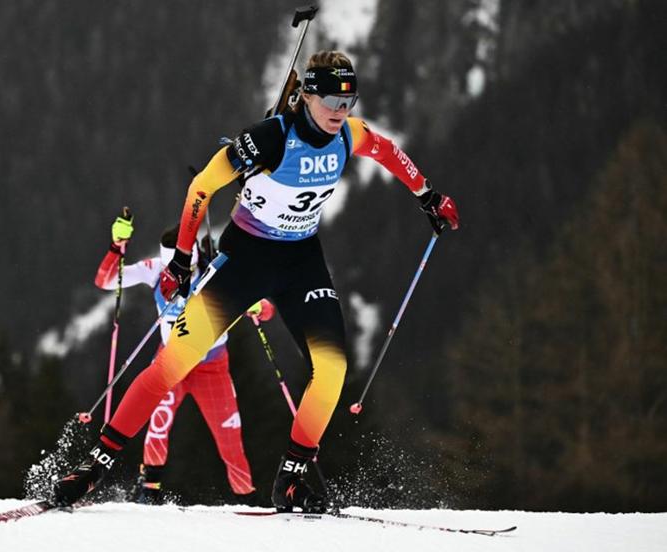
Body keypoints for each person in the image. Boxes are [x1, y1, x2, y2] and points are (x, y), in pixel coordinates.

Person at [54, 50, 459, 513]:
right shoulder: (270, 139)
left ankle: (290, 479)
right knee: (173, 363)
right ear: (306, 94)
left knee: (332, 369)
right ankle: (96, 465)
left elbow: (388, 152)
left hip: (302, 261)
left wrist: (429, 196)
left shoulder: (349, 134)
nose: (339, 112)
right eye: (329, 100)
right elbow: (201, 188)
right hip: (244, 259)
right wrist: (183, 256)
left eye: (348, 102)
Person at [95, 215, 272, 504]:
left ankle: (247, 498)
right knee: (158, 423)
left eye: (184, 268)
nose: (177, 276)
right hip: (172, 359)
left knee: (229, 437)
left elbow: (266, 308)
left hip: (211, 367)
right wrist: (116, 246)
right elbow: (105, 282)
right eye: (173, 271)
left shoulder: (216, 268)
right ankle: (149, 488)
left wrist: (255, 304)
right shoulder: (156, 268)